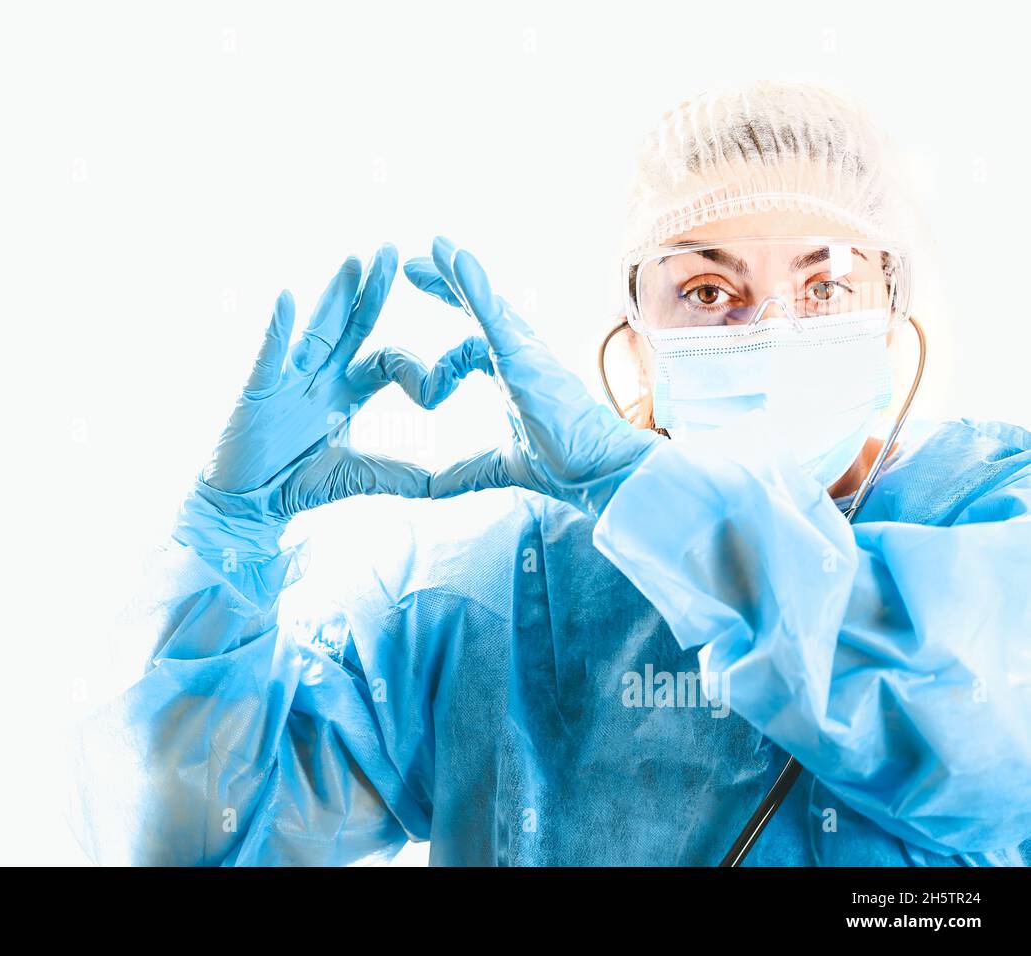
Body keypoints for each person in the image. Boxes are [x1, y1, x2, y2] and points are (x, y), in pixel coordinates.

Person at [69, 81, 1031, 866]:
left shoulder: (991, 514)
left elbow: (990, 745)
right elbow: (188, 842)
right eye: (708, 289)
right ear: (635, 339)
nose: (769, 329)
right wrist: (228, 543)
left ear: (896, 307)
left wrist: (649, 501)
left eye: (825, 286)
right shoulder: (506, 607)